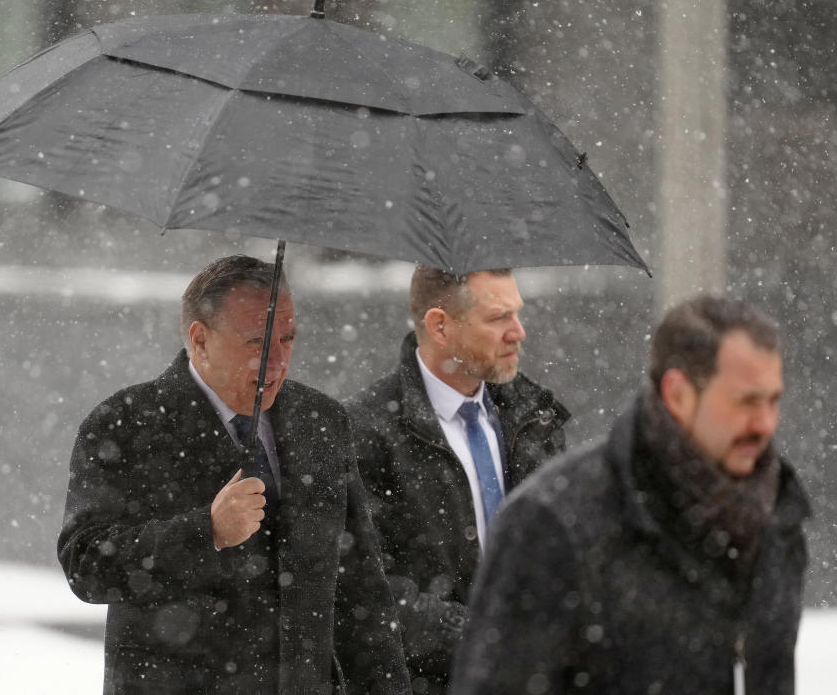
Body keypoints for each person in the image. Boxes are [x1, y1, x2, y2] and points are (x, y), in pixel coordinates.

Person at [58, 255, 409, 695]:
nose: (278, 361)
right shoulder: (126, 425)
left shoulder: (321, 422)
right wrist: (207, 532)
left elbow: (362, 592)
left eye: (288, 338)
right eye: (257, 343)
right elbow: (86, 565)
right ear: (200, 340)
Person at [449, 295, 811, 695]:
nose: (764, 423)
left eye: (773, 400)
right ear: (678, 394)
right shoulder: (552, 523)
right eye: (746, 401)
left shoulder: (777, 516)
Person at [345, 266, 569, 694]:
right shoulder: (363, 434)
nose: (518, 332)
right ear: (440, 326)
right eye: (498, 317)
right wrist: (483, 637)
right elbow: (364, 592)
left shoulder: (534, 417)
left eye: (516, 314)